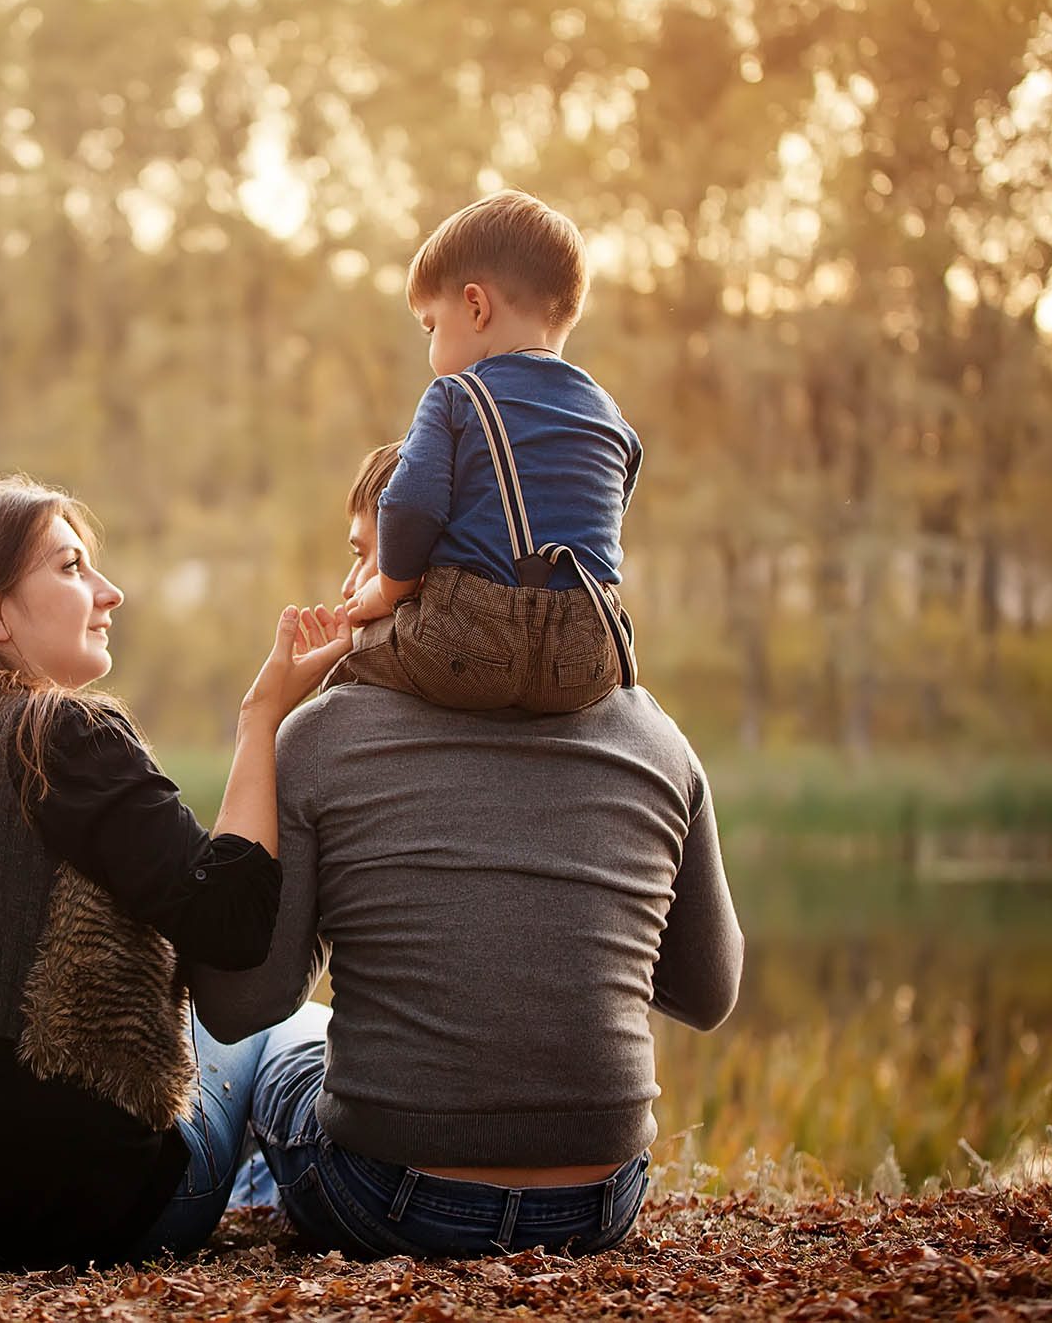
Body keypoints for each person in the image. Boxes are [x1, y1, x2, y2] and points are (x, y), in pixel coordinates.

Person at [186, 444, 743, 1259]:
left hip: (390, 1196)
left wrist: (258, 723)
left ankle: (245, 1192)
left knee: (283, 1040)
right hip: (598, 1202)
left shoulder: (321, 736)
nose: (348, 588)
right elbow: (708, 992)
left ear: (420, 569)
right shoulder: (655, 737)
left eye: (364, 556)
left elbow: (239, 1006)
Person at [0, 475, 349, 1269]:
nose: (110, 591)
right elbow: (231, 926)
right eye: (70, 567)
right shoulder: (58, 731)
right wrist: (261, 718)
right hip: (72, 1197)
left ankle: (255, 1181)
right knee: (292, 1029)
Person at [337, 189, 643, 715]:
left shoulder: (456, 396)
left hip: (471, 643)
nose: (433, 351)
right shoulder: (611, 418)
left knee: (350, 656)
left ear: (476, 306)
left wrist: (388, 594)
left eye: (432, 326)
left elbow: (410, 507)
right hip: (587, 656)